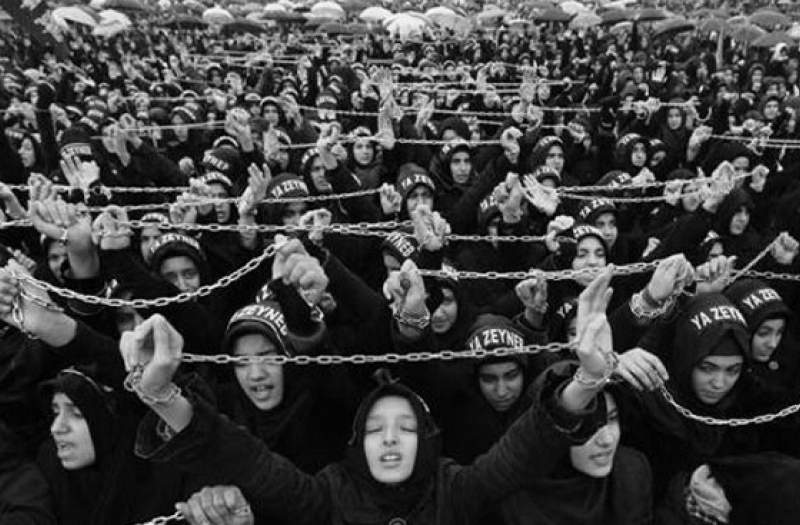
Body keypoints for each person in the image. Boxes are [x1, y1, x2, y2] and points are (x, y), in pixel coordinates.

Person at [120, 268, 619, 525]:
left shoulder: (454, 490)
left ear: (427, 439)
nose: (391, 439)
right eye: (377, 429)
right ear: (357, 442)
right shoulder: (326, 496)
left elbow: (524, 449)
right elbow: (243, 457)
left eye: (406, 427)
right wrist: (161, 394)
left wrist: (587, 379)